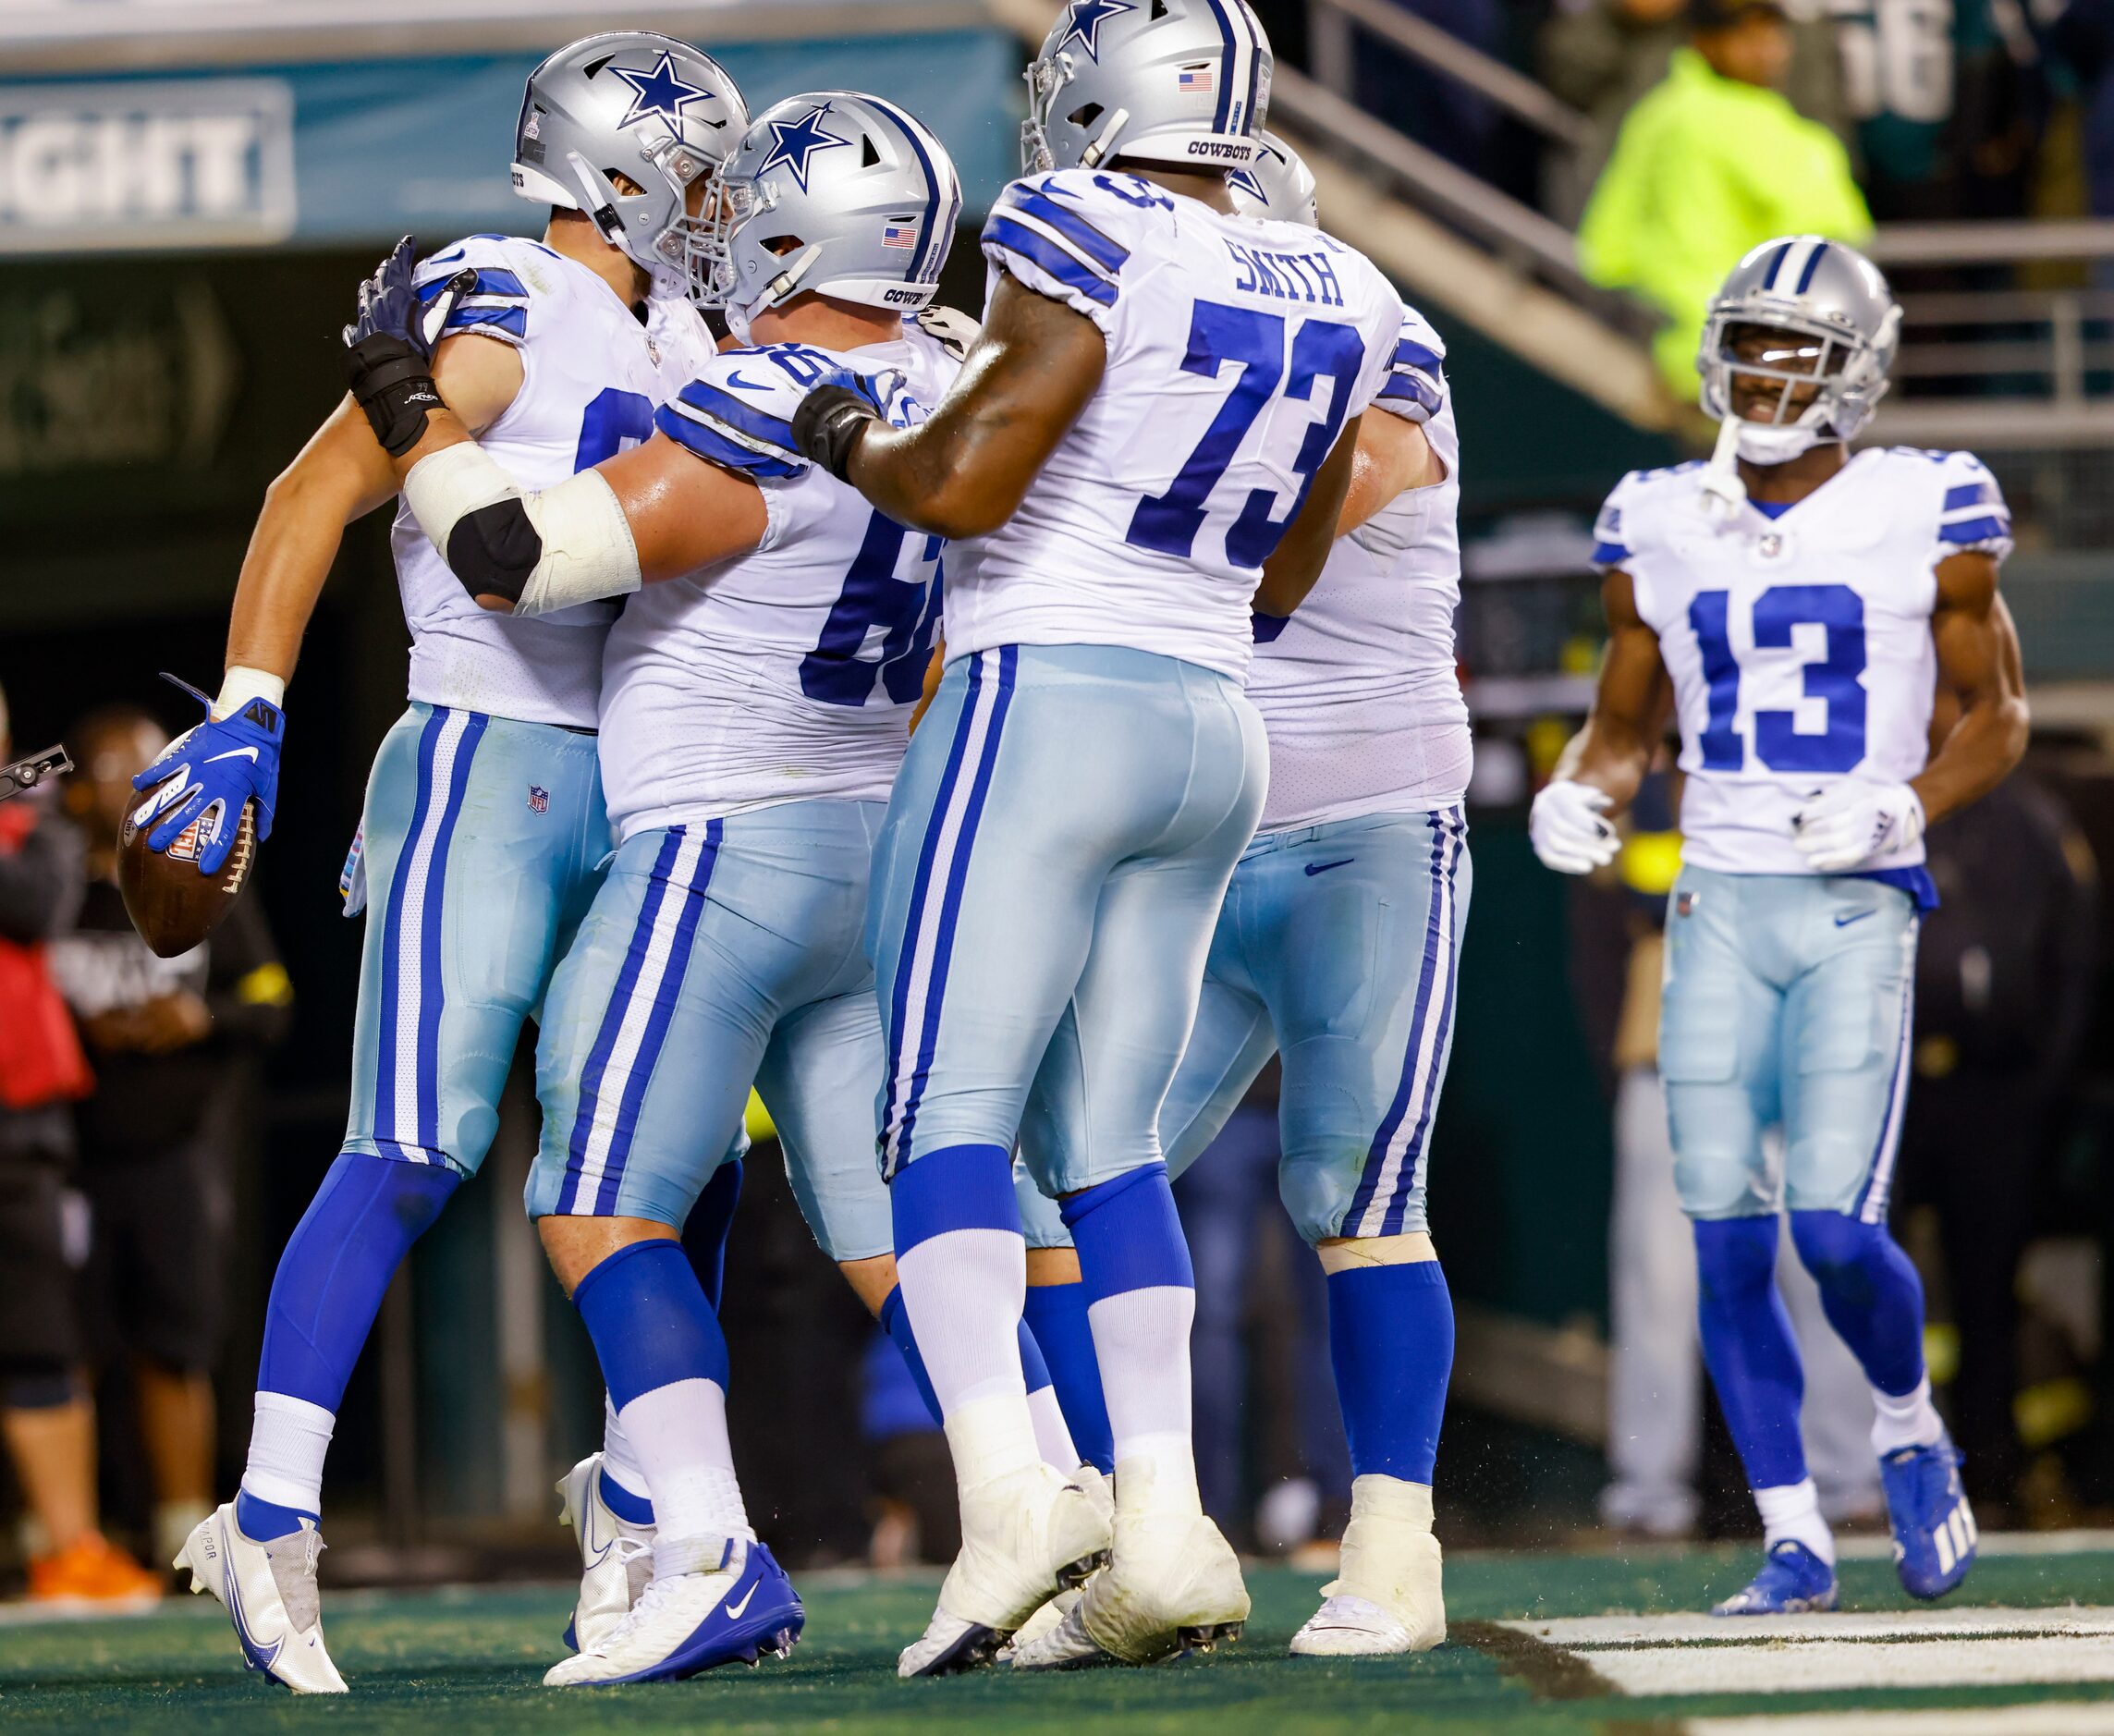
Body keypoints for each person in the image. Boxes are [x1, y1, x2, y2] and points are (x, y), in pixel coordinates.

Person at [360, 88, 1102, 1686]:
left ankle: (700, 1545)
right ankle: (1043, 1502)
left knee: (595, 1198)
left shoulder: (771, 392)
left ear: (791, 231)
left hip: (721, 846)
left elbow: (510, 555)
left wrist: (407, 401)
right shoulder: (965, 377)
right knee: (896, 1235)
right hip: (875, 844)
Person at [781, 0, 1405, 1674]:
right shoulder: (1347, 281)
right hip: (1215, 723)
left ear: (1097, 96)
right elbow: (1295, 557)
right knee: (1114, 1139)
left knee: (940, 1108)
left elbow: (963, 484)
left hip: (1044, 695)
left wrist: (841, 430)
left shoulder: (1078, 218)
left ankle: (1007, 1495)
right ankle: (1170, 1517)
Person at [149, 33, 739, 1693]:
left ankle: (647, 1500)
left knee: (669, 1161)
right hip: (487, 757)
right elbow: (317, 485)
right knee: (415, 1141)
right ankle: (268, 1513)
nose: (716, 203)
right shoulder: (512, 293)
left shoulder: (692, 324)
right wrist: (256, 701)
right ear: (616, 167)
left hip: (645, 771)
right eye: (694, 168)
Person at [1010, 131, 1469, 1657]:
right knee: (1058, 1172)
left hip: (1363, 826)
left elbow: (1322, 503)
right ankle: (1152, 1537)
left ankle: (1392, 1548)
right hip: (1207, 832)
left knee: (1353, 1191)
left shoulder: (1384, 343)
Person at [1531, 235, 2029, 1614]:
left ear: (1852, 370)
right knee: (1721, 1236)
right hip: (1712, 902)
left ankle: (1905, 1423)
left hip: (1852, 904)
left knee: (1824, 1222)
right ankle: (1790, 1531)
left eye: (1789, 349)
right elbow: (1624, 726)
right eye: (1743, 343)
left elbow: (1997, 717)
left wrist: (1900, 807)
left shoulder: (1924, 503)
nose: (1757, 373)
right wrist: (1580, 791)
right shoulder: (1657, 515)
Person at [48, 707, 291, 1576]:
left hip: (176, 1150)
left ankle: (184, 1538)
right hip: (67, 1156)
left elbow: (270, 998)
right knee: (66, 1347)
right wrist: (82, 1033)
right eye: (113, 771)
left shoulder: (199, 872)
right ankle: (65, 1539)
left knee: (176, 1344)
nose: (132, 787)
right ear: (73, 790)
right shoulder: (47, 885)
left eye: (147, 770)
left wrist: (197, 1014)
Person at [0, 685, 158, 1607]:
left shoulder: (38, 820)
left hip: (17, 1132)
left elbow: (34, 906)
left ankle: (69, 1550)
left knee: (37, 1342)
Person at [1578, 0, 1873, 397]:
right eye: (1745, 35)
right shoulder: (1776, 134)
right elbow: (1833, 239)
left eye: (1771, 33)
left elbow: (1605, 249)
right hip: (1750, 363)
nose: (1765, 48)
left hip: (1702, 356)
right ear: (1705, 43)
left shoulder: (1657, 114)